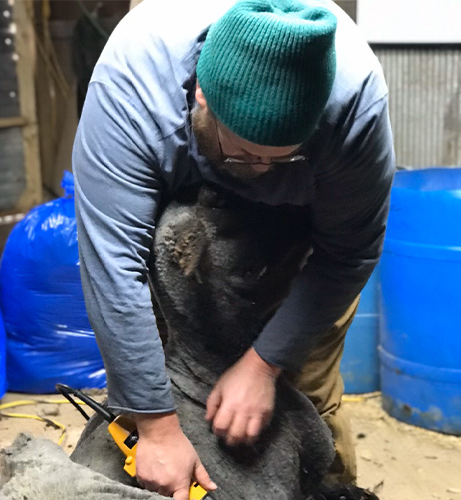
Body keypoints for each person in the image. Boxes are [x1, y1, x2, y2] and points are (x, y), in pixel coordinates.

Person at [72, 0, 395, 498]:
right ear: (201, 93)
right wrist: (156, 427)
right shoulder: (130, 84)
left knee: (306, 400)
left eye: (281, 157)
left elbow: (348, 254)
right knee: (155, 391)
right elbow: (113, 262)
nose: (262, 168)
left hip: (299, 246)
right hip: (178, 244)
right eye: (244, 152)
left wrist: (266, 364)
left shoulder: (355, 103)